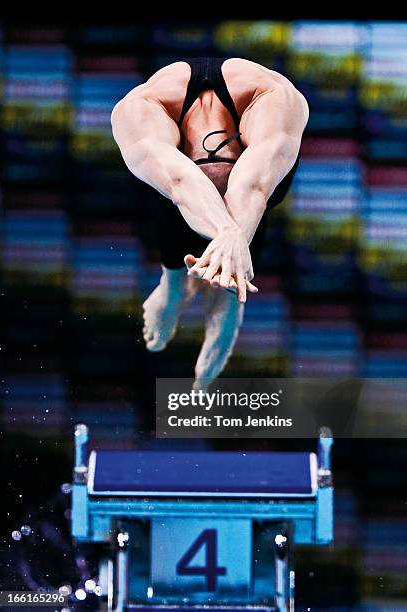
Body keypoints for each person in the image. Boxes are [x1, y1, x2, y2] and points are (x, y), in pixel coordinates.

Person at [111, 57, 308, 390]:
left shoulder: (275, 99)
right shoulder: (140, 111)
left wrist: (232, 245)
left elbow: (254, 189)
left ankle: (226, 294)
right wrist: (228, 233)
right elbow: (179, 183)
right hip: (173, 163)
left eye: (226, 196)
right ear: (187, 155)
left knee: (255, 196)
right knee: (175, 194)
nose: (224, 204)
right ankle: (173, 282)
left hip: (254, 128)